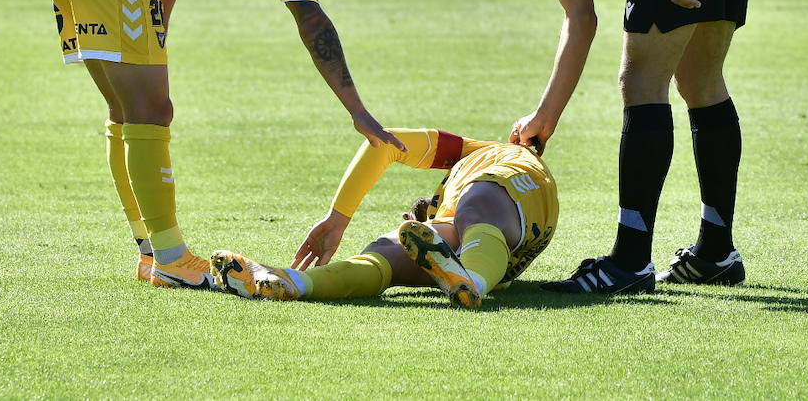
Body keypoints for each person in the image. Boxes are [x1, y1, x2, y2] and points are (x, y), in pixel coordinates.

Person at [406, 0, 757, 295]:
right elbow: (580, 17)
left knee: (641, 85)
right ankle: (716, 251)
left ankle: (630, 261)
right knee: (700, 83)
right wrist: (544, 116)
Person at [47, 0, 405, 290]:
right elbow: (311, 21)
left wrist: (155, 33)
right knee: (150, 111)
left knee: (128, 113)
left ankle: (152, 251)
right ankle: (172, 259)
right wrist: (357, 110)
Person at [210, 128, 557, 309]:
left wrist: (337, 218)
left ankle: (472, 284)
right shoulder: (454, 218)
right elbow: (387, 144)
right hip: (501, 250)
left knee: (475, 205)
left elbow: (387, 142)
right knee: (384, 253)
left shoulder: (485, 153)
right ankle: (295, 283)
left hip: (518, 185)